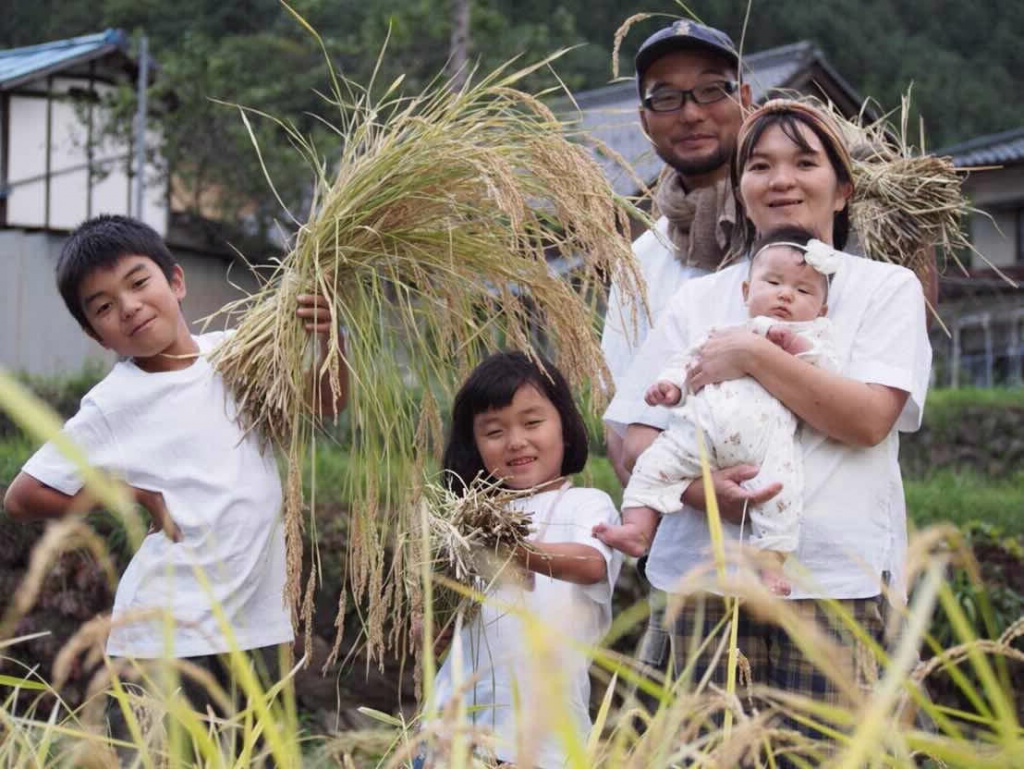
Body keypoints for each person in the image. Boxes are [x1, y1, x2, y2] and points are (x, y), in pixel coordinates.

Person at [605, 100, 932, 742]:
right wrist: (709, 496)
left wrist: (751, 351)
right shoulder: (700, 297)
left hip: (835, 590)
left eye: (804, 163)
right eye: (760, 165)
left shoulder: (885, 288)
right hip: (700, 588)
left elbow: (868, 419)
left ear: (842, 190)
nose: (781, 179)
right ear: (741, 188)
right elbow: (634, 437)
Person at [3, 214, 347, 723]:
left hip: (254, 625)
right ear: (97, 335)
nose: (130, 307)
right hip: (164, 638)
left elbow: (325, 401)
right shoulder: (113, 404)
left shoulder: (236, 354)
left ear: (176, 281)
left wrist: (330, 341)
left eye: (139, 283)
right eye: (104, 307)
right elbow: (22, 496)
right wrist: (129, 496)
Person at [595, 227, 841, 598]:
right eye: (773, 282)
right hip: (698, 432)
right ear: (746, 291)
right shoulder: (723, 333)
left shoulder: (815, 339)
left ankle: (770, 561)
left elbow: (822, 376)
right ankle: (638, 527)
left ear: (821, 310)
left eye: (803, 291)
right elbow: (688, 362)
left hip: (765, 445)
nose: (785, 294)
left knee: (781, 494)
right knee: (652, 467)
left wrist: (792, 344)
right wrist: (671, 388)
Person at [425, 351, 622, 769]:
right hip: (456, 734)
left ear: (565, 429)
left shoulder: (586, 504)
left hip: (546, 741)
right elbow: (445, 613)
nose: (516, 441)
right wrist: (433, 624)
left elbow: (591, 563)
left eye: (532, 423)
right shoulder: (467, 521)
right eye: (494, 431)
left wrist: (518, 553)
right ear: (474, 447)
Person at [601, 20, 759, 490]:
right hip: (678, 551)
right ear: (645, 119)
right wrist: (701, 495)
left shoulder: (805, 223)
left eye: (711, 90)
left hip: (814, 545)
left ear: (745, 98)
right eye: (666, 97)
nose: (690, 114)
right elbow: (621, 427)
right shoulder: (642, 258)